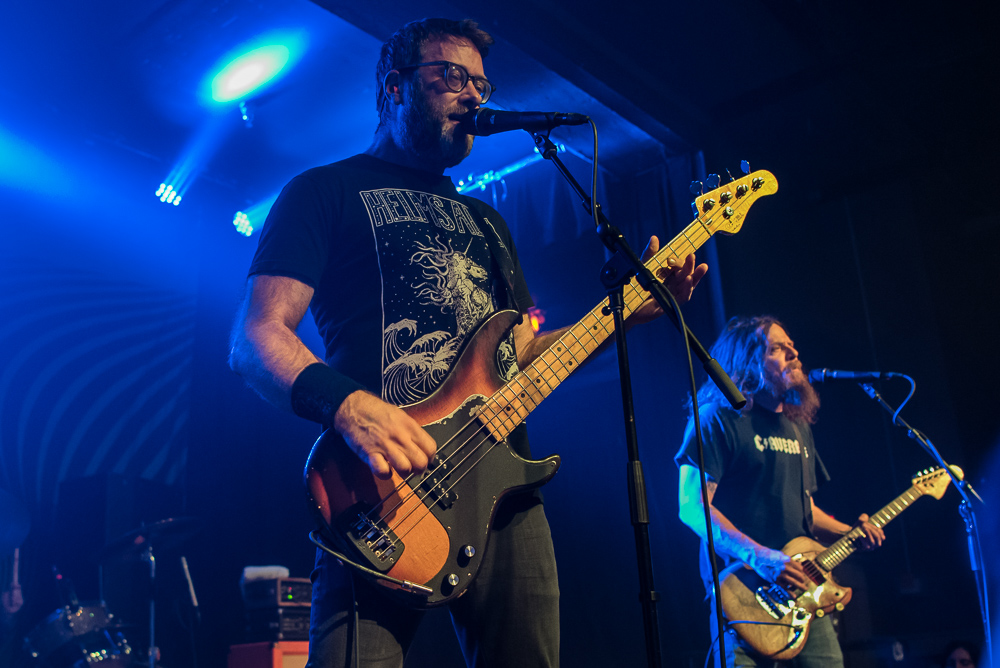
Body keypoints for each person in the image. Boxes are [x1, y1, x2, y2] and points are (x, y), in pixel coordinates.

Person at [228, 17, 707, 668]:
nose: (473, 95)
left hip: (507, 496)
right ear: (394, 87)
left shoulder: (488, 221)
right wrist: (346, 404)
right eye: (451, 76)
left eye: (480, 82)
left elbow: (518, 354)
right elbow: (256, 336)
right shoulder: (324, 192)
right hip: (382, 493)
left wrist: (629, 313)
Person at [674, 315, 885, 668]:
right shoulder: (716, 418)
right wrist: (761, 557)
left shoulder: (797, 426)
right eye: (777, 348)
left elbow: (803, 507)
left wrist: (850, 533)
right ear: (747, 360)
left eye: (791, 346)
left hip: (805, 589)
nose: (794, 353)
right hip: (743, 591)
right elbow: (691, 506)